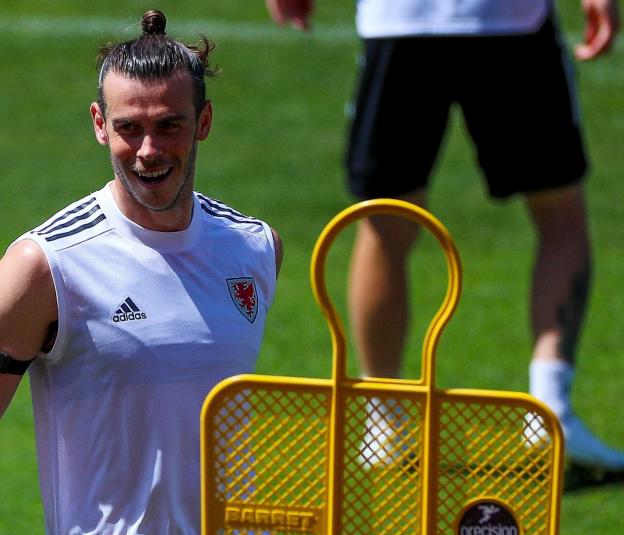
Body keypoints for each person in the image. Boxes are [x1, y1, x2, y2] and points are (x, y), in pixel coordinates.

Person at [0, 10, 284, 535]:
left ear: (204, 123)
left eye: (169, 126)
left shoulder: (255, 248)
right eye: (129, 128)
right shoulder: (47, 264)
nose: (148, 150)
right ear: (99, 124)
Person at [267, 0, 624, 472]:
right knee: (559, 215)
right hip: (509, 20)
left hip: (401, 18)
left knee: (384, 221)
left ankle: (384, 423)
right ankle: (550, 412)